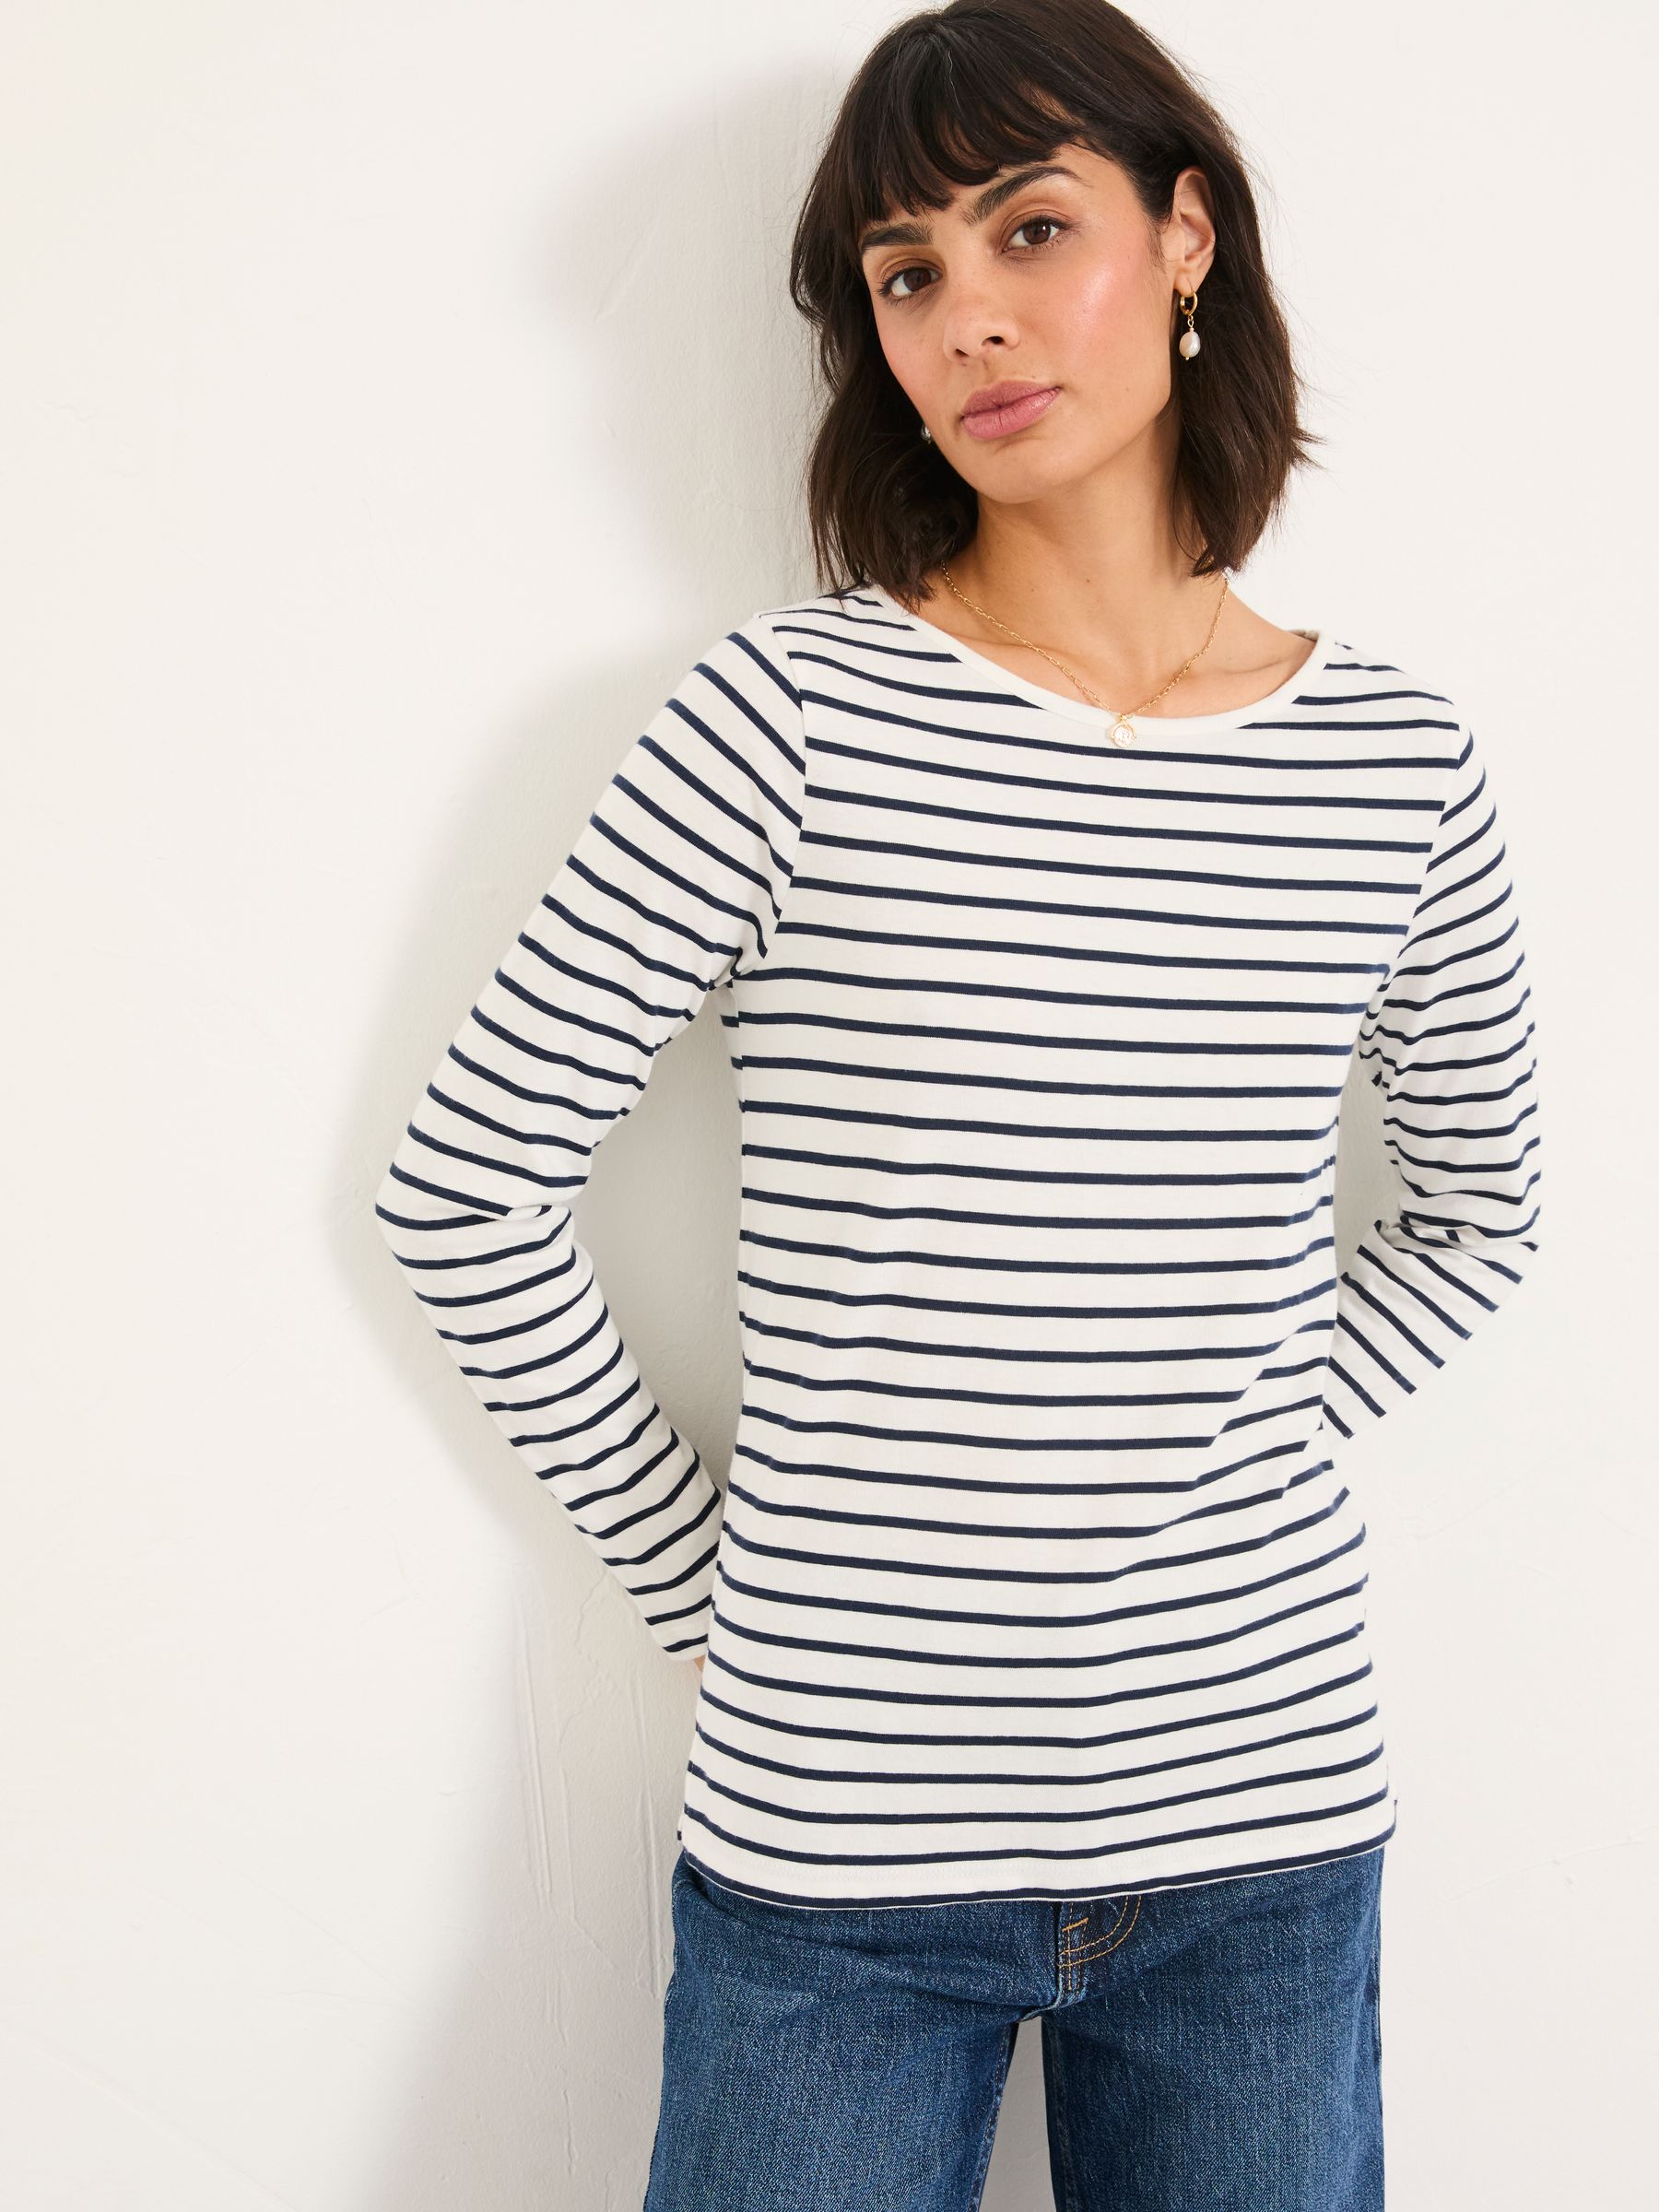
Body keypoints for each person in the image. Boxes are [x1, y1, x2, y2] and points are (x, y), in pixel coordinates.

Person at [373, 2, 1544, 2204]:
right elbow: (465, 1194)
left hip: (1262, 1832)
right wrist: (734, 1584)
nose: (969, 317)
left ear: (1186, 239)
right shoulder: (787, 718)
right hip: (841, 1859)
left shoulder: (1395, 761)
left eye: (1031, 228)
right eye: (906, 273)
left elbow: (1482, 1214)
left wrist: (1219, 1434)